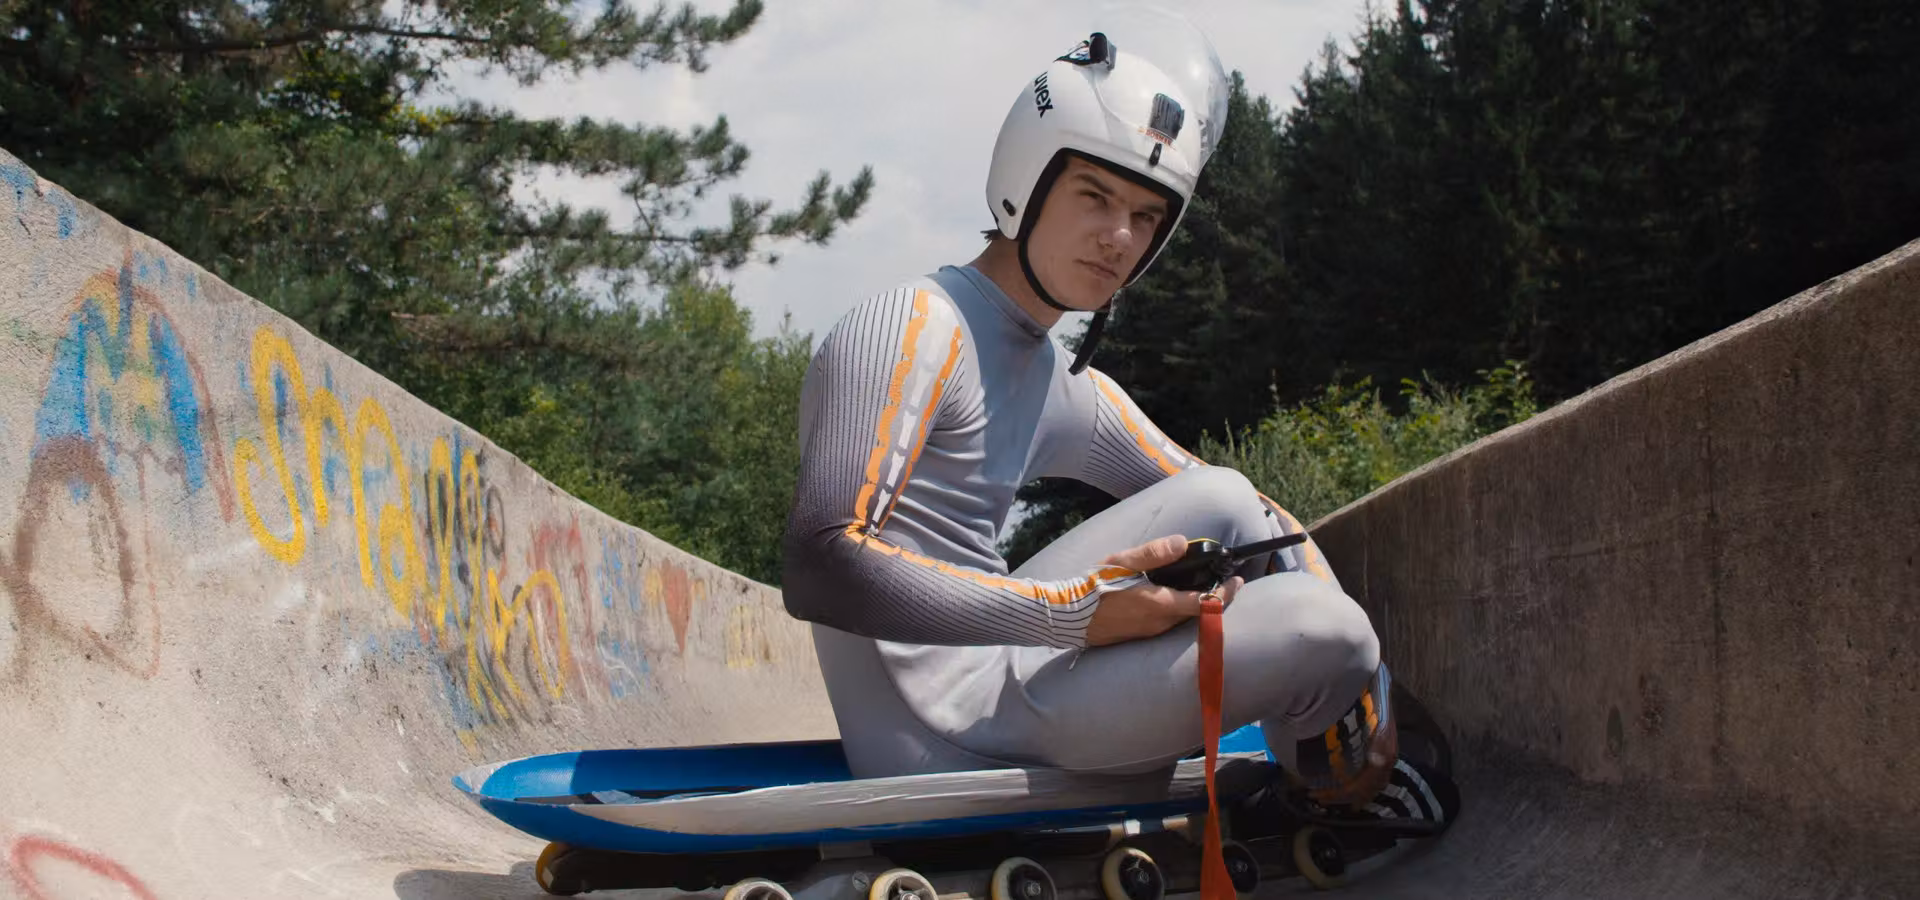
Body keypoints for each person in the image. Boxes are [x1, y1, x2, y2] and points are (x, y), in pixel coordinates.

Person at [781, 7, 1414, 816]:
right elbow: (820, 563)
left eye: (1146, 216)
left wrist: (1373, 690)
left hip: (1005, 672)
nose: (1119, 236)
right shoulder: (913, 325)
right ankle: (1331, 786)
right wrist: (1078, 615)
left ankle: (1333, 761)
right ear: (1028, 181)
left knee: (1228, 499)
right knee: (1330, 632)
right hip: (930, 734)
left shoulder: (1062, 380)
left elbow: (1251, 512)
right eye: (1095, 196)